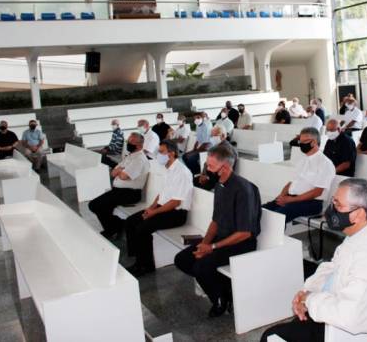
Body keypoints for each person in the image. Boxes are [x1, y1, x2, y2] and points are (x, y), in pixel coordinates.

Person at [260, 179, 367, 342]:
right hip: (334, 309)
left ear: (358, 214)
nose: (331, 209)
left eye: (337, 205)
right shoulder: (364, 231)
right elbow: (334, 267)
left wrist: (310, 300)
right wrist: (307, 292)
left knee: (271, 337)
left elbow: (352, 316)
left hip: (346, 331)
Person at [174, 143, 261, 318]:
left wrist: (212, 248)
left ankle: (219, 299)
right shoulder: (220, 185)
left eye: (211, 167)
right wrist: (204, 244)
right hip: (222, 238)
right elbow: (216, 220)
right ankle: (223, 290)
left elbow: (245, 232)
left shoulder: (243, 190)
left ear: (226, 167)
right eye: (207, 165)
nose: (207, 171)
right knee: (182, 259)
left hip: (242, 243)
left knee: (202, 267)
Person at [125, 140, 193, 277]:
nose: (158, 155)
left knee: (142, 229)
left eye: (161, 152)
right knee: (130, 221)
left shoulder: (182, 172)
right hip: (163, 209)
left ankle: (145, 265)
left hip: (176, 214)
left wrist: (153, 212)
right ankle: (138, 257)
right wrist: (150, 208)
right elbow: (162, 194)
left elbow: (175, 202)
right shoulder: (168, 169)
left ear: (171, 153)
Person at [264, 127, 335, 222]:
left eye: (304, 141)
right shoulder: (302, 160)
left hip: (311, 203)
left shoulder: (325, 163)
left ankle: (272, 236)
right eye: (300, 141)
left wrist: (289, 200)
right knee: (262, 209)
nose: (301, 144)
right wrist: (281, 197)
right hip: (292, 198)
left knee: (277, 217)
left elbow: (317, 192)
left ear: (314, 142)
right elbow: (291, 183)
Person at [89, 133, 150, 239]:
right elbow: (113, 173)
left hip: (130, 193)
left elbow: (123, 176)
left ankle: (115, 228)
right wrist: (119, 170)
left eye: (131, 142)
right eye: (128, 141)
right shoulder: (130, 156)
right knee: (96, 205)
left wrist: (120, 170)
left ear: (139, 145)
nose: (128, 144)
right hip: (119, 191)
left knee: (96, 205)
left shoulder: (139, 159)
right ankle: (117, 226)